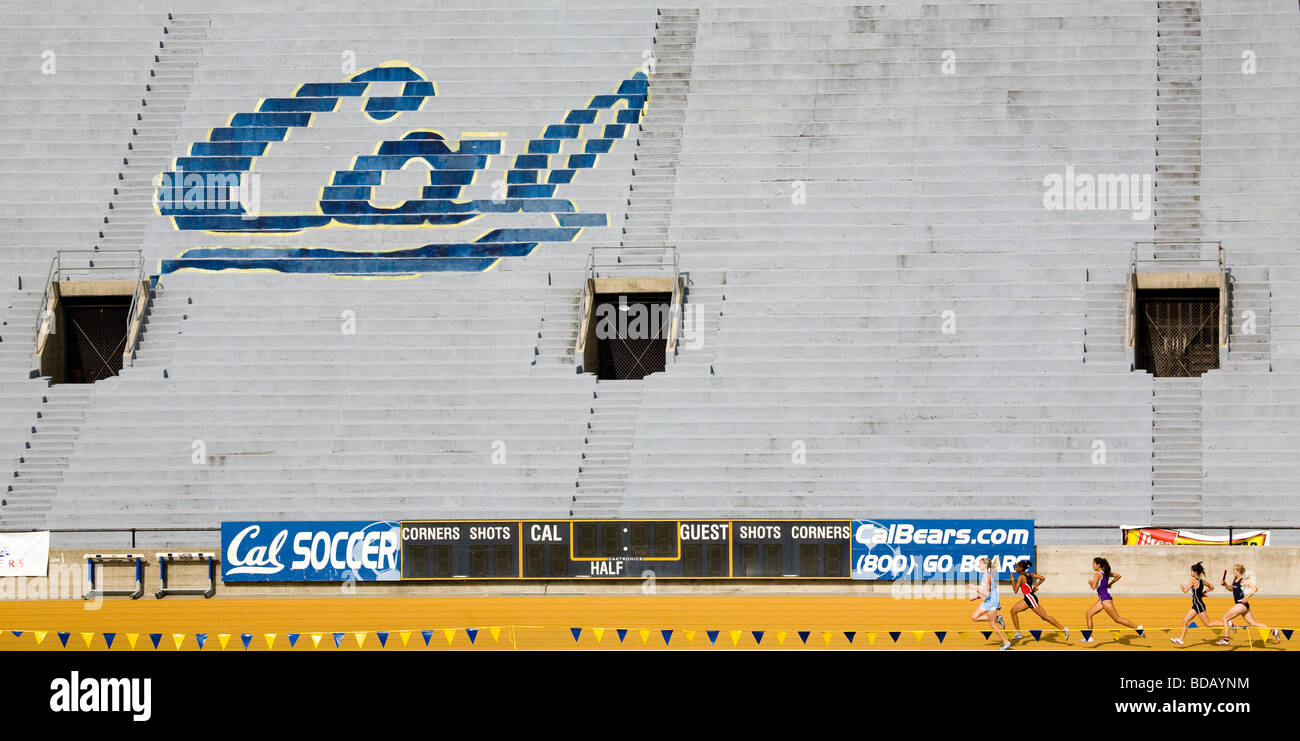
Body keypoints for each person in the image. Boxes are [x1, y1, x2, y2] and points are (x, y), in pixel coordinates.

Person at [1216, 564, 1281, 646]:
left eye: (1234, 570)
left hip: (1241, 604)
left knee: (1225, 618)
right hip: (1243, 606)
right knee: (1254, 623)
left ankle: (1226, 639)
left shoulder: (1243, 581)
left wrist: (1247, 597)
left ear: (1239, 571)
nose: (1233, 571)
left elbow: (1255, 588)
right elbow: (1231, 589)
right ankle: (1274, 631)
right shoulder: (1235, 580)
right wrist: (1225, 584)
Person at [1082, 557, 1143, 642]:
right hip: (1102, 599)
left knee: (1117, 619)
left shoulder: (1097, 575)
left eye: (1093, 564)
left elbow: (1093, 587)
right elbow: (1118, 576)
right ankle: (1089, 638)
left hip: (1105, 599)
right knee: (1088, 614)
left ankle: (1138, 628)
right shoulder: (1105, 573)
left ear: (1098, 565)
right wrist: (1110, 584)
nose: (1092, 566)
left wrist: (1091, 583)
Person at [1007, 559, 1068, 641]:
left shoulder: (1021, 577)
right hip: (1028, 597)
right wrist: (1035, 586)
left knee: (1044, 617)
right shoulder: (1029, 574)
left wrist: (1012, 579)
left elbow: (1015, 590)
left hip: (1030, 598)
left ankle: (1063, 629)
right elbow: (1042, 578)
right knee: (1013, 611)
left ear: (1021, 568)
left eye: (1017, 566)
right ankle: (1018, 633)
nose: (1015, 568)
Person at [1170, 562, 1222, 647]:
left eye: (1191, 571)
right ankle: (1181, 640)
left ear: (1195, 572)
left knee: (1208, 624)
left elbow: (1185, 591)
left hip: (1198, 605)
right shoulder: (1202, 581)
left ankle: (1228, 624)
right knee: (1185, 621)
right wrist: (1203, 593)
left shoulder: (1193, 581)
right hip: (1196, 605)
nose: (1190, 573)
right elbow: (1212, 587)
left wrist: (1182, 587)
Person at [968, 556, 1011, 650]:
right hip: (988, 600)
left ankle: (1006, 642)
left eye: (980, 563)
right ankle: (997, 618)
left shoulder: (987, 576)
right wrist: (976, 597)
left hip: (992, 602)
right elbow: (988, 592)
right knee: (974, 617)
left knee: (992, 624)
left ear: (984, 565)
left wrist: (975, 588)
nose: (979, 565)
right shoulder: (985, 575)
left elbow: (987, 593)